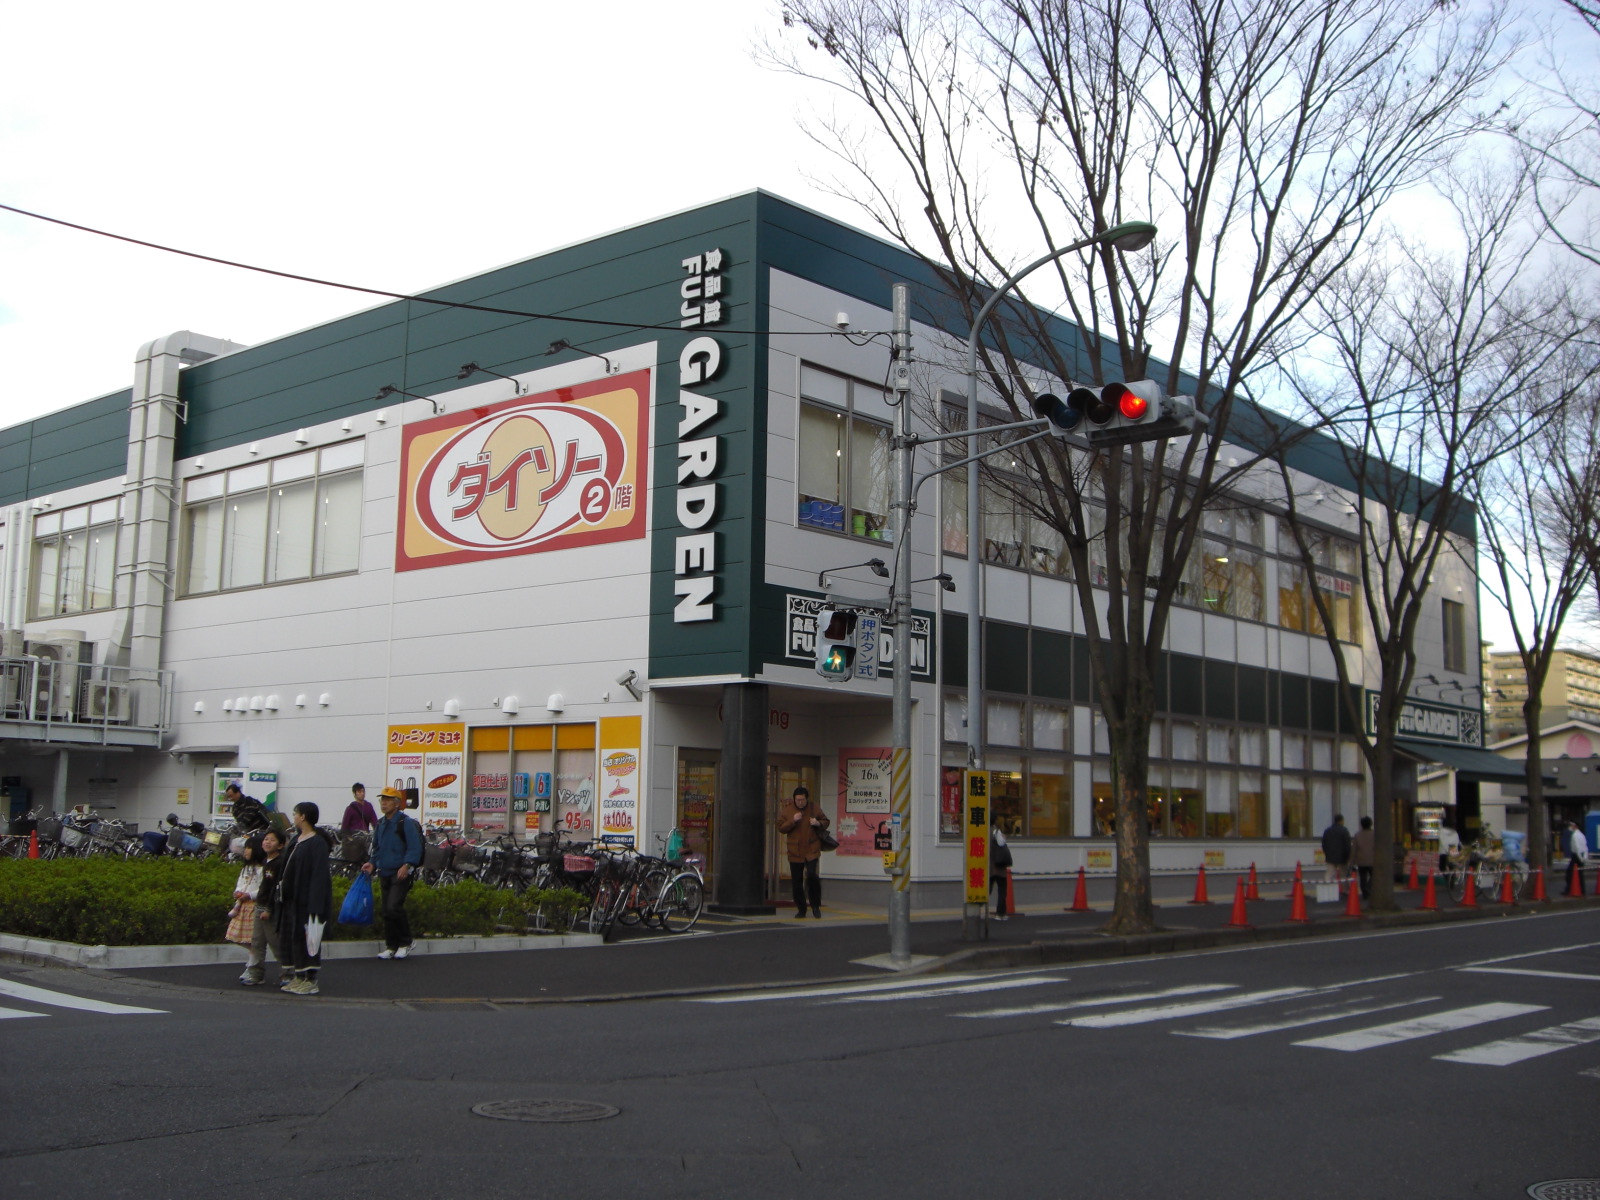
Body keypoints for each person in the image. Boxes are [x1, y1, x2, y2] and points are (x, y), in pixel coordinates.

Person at [276, 802, 333, 995]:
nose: (293, 817)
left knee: (308, 940)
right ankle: (298, 976)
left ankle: (310, 980)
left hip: (308, 901)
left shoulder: (317, 843)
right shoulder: (296, 839)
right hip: (292, 899)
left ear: (303, 817)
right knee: (294, 938)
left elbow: (319, 876)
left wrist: (315, 904)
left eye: (295, 814)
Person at [363, 786, 423, 959]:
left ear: (397, 804)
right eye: (382, 800)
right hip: (384, 871)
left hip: (400, 872)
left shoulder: (405, 823)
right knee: (386, 910)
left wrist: (407, 865)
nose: (384, 803)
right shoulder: (381, 823)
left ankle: (406, 942)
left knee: (393, 906)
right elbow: (377, 848)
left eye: (388, 800)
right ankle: (391, 946)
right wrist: (372, 864)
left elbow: (414, 847)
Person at [241, 829, 287, 987]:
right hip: (260, 905)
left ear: (281, 845)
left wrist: (268, 909)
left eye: (272, 840)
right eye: (266, 839)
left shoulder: (279, 863)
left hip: (270, 908)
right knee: (257, 942)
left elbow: (276, 888)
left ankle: (287, 973)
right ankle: (255, 973)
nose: (267, 842)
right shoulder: (266, 861)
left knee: (275, 942)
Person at [777, 786, 829, 919]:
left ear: (807, 799)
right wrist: (792, 821)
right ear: (794, 799)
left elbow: (825, 821)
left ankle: (815, 905)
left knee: (812, 876)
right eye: (797, 800)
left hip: (812, 849)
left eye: (802, 800)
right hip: (795, 851)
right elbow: (781, 828)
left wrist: (818, 823)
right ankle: (801, 908)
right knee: (796, 881)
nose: (800, 802)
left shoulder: (814, 808)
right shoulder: (788, 810)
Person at [990, 824, 1014, 920]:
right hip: (998, 866)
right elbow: (1001, 843)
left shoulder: (980, 829)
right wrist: (1004, 837)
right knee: (1002, 891)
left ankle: (974, 909)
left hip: (988, 867)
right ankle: (1000, 914)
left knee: (986, 890)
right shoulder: (996, 831)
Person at [1321, 813, 1352, 885]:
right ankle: (1345, 891)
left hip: (1330, 857)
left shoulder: (1327, 831)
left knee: (1329, 874)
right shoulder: (1344, 831)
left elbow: (1324, 844)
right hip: (1342, 857)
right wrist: (1348, 856)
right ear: (1341, 821)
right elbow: (1347, 845)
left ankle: (1327, 888)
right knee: (1343, 875)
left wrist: (1327, 853)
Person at [1351, 815, 1376, 901]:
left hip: (1361, 860)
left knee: (1362, 878)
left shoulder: (1357, 835)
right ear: (1371, 824)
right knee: (1374, 876)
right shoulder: (1374, 835)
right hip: (1372, 859)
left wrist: (1352, 862)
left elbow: (1354, 849)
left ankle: (1365, 892)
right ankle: (1368, 889)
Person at [1566, 820, 1589, 896]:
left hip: (1576, 856)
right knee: (1580, 873)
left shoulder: (1575, 835)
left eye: (1572, 825)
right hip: (1581, 855)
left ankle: (1569, 890)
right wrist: (1584, 858)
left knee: (1569, 873)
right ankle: (1582, 890)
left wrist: (1580, 858)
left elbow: (1577, 848)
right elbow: (1585, 847)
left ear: (1575, 826)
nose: (1570, 827)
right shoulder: (1582, 835)